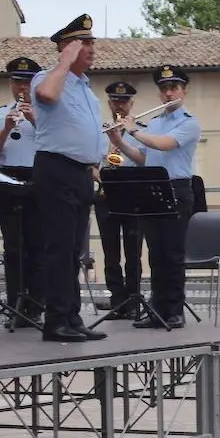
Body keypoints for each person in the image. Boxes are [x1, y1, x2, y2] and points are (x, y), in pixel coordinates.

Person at [29, 14, 107, 343]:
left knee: (75, 250)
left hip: (81, 172)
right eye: (83, 42)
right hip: (56, 168)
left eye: (91, 42)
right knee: (59, 248)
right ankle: (56, 320)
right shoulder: (47, 78)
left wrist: (95, 162)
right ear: (66, 47)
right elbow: (47, 95)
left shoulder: (87, 90)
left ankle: (72, 316)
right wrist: (64, 62)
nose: (91, 48)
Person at [105, 65, 200, 329]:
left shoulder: (189, 122)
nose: (169, 93)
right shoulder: (155, 123)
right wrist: (120, 140)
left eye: (174, 88)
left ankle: (174, 310)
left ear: (184, 90)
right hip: (152, 187)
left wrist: (134, 130)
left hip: (177, 188)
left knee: (173, 253)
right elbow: (143, 158)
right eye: (164, 89)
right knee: (155, 253)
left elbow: (165, 145)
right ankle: (157, 309)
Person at [0, 55, 44, 324]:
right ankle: (15, 304)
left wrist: (36, 120)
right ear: (10, 83)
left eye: (27, 83)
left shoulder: (47, 113)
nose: (22, 88)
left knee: (38, 245)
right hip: (8, 178)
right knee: (13, 246)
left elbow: (57, 144)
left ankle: (37, 304)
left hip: (37, 177)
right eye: (18, 82)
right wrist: (6, 128)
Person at [93, 80, 144, 317]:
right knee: (110, 251)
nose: (119, 106)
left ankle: (133, 300)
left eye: (123, 101)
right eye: (115, 101)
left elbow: (144, 160)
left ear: (131, 103)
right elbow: (90, 162)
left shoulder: (140, 129)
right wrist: (102, 178)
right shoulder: (98, 130)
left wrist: (120, 142)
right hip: (106, 193)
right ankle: (117, 300)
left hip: (133, 193)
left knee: (133, 251)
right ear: (109, 103)